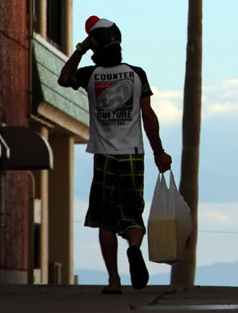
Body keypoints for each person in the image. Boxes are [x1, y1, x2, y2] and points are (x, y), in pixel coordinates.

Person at [58, 15, 172, 293]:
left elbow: (63, 79)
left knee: (106, 219)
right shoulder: (137, 74)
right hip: (133, 154)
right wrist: (159, 152)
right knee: (132, 213)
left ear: (96, 45)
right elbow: (148, 115)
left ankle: (113, 281)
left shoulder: (89, 75)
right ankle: (133, 247)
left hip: (104, 155)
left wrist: (81, 48)